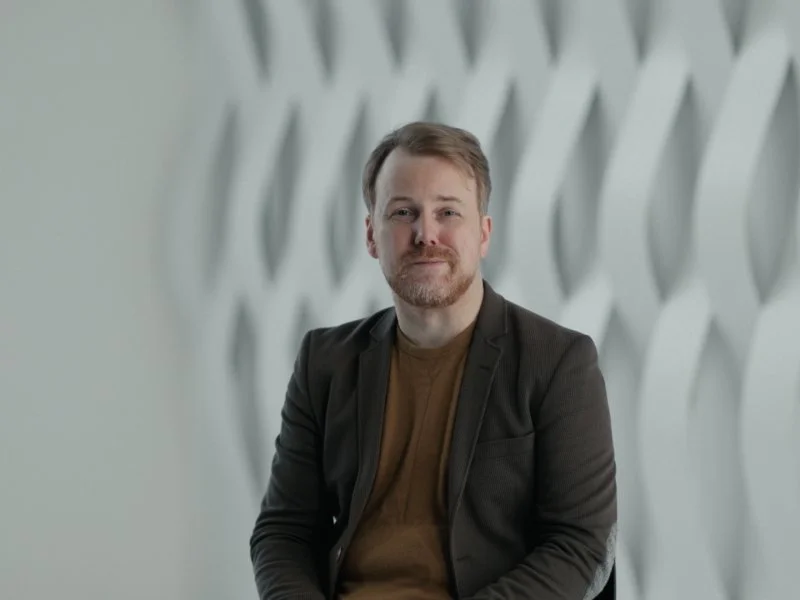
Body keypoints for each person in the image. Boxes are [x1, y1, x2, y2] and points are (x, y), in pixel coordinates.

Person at [250, 121, 617, 599]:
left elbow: (579, 542)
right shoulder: (325, 362)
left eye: (448, 212)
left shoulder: (557, 361)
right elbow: (284, 531)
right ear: (371, 235)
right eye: (403, 212)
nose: (426, 234)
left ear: (483, 233)